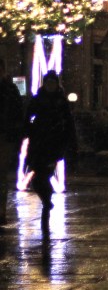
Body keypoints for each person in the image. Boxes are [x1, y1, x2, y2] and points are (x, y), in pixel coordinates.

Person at [24, 71, 75, 231]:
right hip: (38, 144)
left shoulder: (61, 102)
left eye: (53, 83)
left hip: (53, 145)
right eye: (48, 83)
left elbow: (68, 123)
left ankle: (47, 205)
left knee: (44, 175)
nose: (50, 86)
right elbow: (28, 118)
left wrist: (68, 141)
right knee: (36, 177)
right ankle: (47, 200)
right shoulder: (38, 99)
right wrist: (28, 131)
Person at [0, 59, 24, 224]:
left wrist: (15, 134)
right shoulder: (10, 90)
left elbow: (17, 114)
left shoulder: (9, 89)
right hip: (6, 135)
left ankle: (1, 210)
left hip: (4, 136)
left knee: (1, 175)